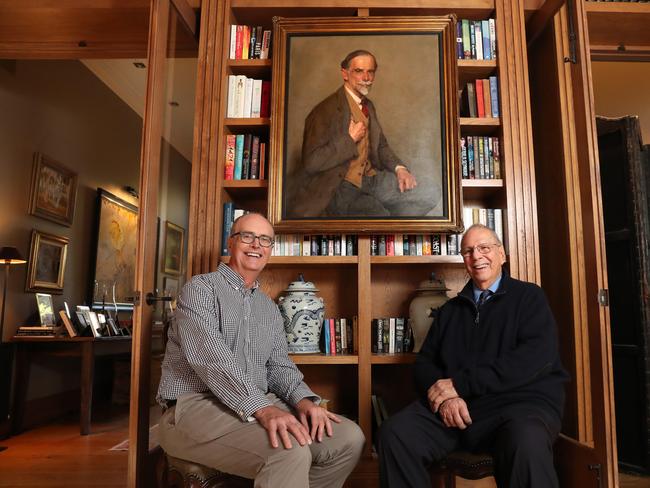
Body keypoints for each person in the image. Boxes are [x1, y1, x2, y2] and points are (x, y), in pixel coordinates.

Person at [157, 212, 365, 487]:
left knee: (349, 439)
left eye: (265, 240)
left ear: (270, 250)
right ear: (230, 243)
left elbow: (279, 366)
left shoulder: (269, 308)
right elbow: (211, 359)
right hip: (194, 409)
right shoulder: (199, 289)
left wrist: (304, 402)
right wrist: (263, 409)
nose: (256, 245)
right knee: (288, 452)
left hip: (257, 404)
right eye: (247, 236)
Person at [378, 224, 570, 488]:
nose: (477, 256)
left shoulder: (529, 297)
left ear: (501, 254)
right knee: (396, 433)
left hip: (518, 407)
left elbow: (534, 359)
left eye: (484, 248)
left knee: (527, 440)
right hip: (456, 412)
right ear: (463, 261)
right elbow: (424, 365)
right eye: (468, 251)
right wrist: (445, 400)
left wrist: (459, 386)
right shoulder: (449, 311)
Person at [287, 49, 440, 218]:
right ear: (345, 74)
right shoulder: (324, 111)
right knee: (380, 218)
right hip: (342, 187)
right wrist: (349, 139)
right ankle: (387, 217)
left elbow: (381, 146)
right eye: (359, 71)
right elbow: (311, 163)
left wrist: (400, 169)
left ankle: (393, 217)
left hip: (371, 181)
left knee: (430, 192)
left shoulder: (369, 106)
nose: (366, 78)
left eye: (370, 72)